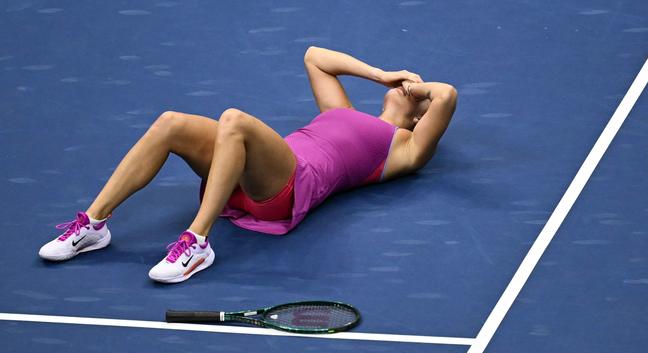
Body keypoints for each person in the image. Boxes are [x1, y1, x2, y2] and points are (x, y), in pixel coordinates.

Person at [38, 46, 457, 283]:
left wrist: (420, 89)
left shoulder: (403, 148)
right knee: (170, 123)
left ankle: (198, 243)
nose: (411, 90)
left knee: (234, 120)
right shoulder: (344, 111)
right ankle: (93, 225)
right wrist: (382, 74)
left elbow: (448, 95)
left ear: (420, 117)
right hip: (241, 175)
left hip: (289, 185)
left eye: (416, 97)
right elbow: (315, 57)